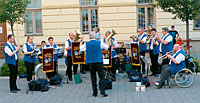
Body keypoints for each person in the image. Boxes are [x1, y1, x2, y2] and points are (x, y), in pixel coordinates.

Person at [80, 31, 109, 97]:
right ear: (95, 36)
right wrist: (106, 40)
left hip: (91, 62)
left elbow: (81, 48)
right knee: (101, 77)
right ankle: (102, 92)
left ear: (89, 37)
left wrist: (81, 40)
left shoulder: (87, 44)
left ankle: (95, 92)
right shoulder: (99, 42)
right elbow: (107, 47)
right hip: (99, 61)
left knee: (93, 77)